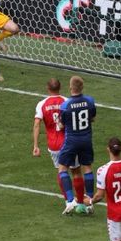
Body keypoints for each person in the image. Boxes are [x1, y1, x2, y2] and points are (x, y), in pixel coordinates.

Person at [32, 78, 86, 209]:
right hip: (69, 142)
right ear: (60, 87)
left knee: (61, 172)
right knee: (76, 171)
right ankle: (80, 202)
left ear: (47, 88)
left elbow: (37, 124)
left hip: (54, 145)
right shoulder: (67, 101)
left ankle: (69, 201)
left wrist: (35, 146)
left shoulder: (42, 104)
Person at [57, 76, 97, 215]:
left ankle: (70, 201)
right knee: (87, 168)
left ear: (70, 88)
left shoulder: (65, 105)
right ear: (82, 88)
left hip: (71, 141)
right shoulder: (90, 101)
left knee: (62, 169)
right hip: (86, 139)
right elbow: (92, 118)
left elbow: (61, 124)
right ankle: (90, 200)